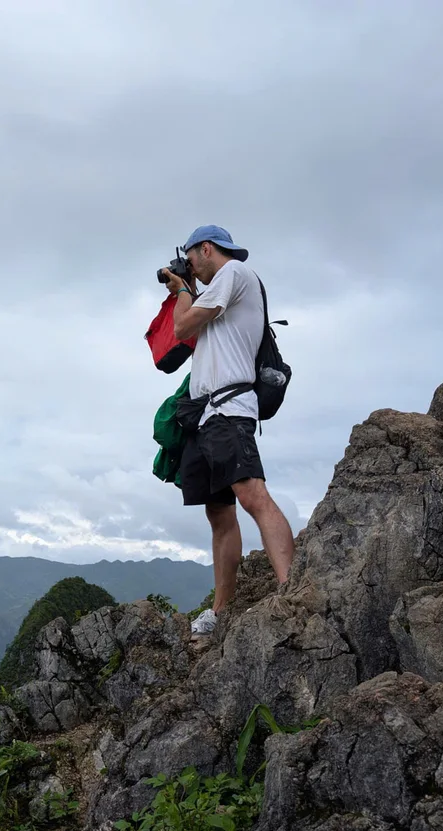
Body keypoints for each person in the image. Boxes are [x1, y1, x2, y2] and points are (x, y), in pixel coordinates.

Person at [159, 224, 295, 637]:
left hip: (229, 409)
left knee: (252, 495)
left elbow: (182, 327)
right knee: (218, 511)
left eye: (191, 258)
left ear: (205, 249)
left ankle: (291, 590)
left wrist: (182, 290)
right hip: (204, 414)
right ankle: (220, 610)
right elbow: (183, 336)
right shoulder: (216, 295)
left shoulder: (234, 274)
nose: (191, 268)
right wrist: (186, 291)